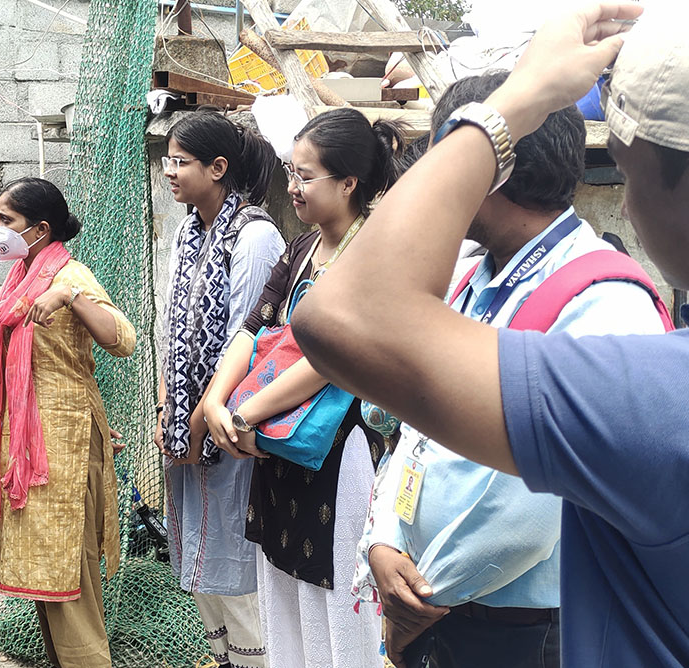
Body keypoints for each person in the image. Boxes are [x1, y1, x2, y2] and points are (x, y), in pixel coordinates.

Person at [292, 4, 689, 666]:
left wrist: (511, 105)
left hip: (505, 615)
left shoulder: (614, 314)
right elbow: (416, 436)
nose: (624, 198)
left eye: (627, 167)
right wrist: (387, 535)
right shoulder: (478, 276)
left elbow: (526, 513)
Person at [203, 107, 401, 668]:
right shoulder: (302, 248)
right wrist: (216, 401)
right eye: (290, 172)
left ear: (348, 182)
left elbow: (332, 359)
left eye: (305, 175)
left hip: (336, 453)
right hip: (274, 447)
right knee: (282, 594)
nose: (291, 186)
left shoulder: (375, 259)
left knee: (337, 601)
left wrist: (245, 414)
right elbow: (253, 329)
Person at [0, 177, 136, 668]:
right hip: (25, 446)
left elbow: (123, 339)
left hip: (65, 444)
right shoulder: (19, 276)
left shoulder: (69, 274)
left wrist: (70, 294)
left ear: (38, 229)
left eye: (6, 220)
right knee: (41, 563)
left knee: (66, 566)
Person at [157, 110, 286, 668]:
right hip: (185, 424)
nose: (169, 172)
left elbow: (246, 342)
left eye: (180, 162)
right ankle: (225, 658)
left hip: (229, 426)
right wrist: (169, 405)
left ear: (218, 168)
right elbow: (171, 325)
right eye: (167, 161)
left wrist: (196, 420)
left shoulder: (256, 237)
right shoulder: (189, 231)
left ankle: (256, 659)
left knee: (234, 560)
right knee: (200, 558)